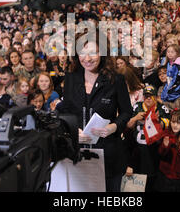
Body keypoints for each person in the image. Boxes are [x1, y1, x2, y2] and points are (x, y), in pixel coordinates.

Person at [56, 31, 133, 192]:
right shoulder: (71, 77)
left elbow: (127, 112)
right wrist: (72, 130)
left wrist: (114, 127)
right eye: (83, 52)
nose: (88, 58)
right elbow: (66, 111)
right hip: (77, 153)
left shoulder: (115, 79)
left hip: (109, 154)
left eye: (93, 52)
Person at [125, 84, 170, 192]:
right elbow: (128, 125)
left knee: (152, 178)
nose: (148, 98)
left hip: (154, 148)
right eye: (146, 96)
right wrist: (135, 118)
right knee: (137, 180)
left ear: (155, 97)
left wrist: (156, 120)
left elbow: (166, 126)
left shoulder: (162, 108)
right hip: (137, 148)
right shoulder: (137, 106)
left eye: (151, 96)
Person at [154, 109, 180, 192]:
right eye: (173, 122)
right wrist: (164, 146)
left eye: (179, 123)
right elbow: (160, 154)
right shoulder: (166, 133)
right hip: (164, 175)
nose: (175, 125)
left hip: (179, 177)